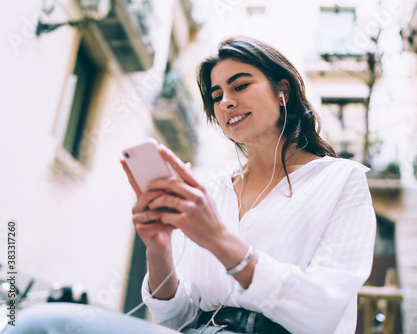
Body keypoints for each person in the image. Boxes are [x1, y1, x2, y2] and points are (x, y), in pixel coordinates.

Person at [5, 36, 376, 334]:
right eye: (216, 96)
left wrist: (219, 240)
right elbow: (175, 317)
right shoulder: (211, 190)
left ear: (283, 91)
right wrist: (158, 248)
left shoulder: (341, 181)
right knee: (44, 322)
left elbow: (322, 311)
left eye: (240, 85)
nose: (226, 102)